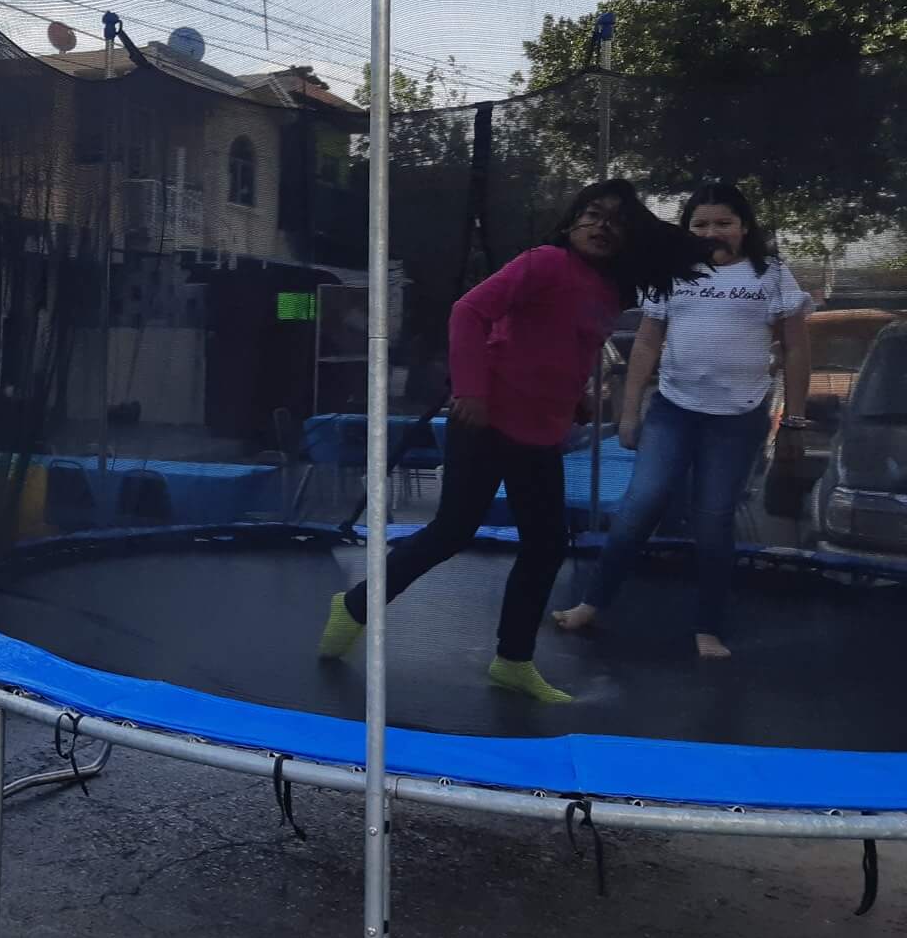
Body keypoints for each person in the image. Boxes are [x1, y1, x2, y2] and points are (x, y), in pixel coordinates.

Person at [318, 179, 705, 702]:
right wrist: (471, 391)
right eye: (591, 214)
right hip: (486, 420)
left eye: (615, 220)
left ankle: (513, 661)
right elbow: (468, 312)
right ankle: (354, 606)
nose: (600, 226)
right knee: (452, 530)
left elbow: (560, 346)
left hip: (538, 431)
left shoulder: (610, 291)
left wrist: (574, 399)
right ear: (570, 222)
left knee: (546, 546)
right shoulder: (545, 262)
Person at [553, 182, 811, 658]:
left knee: (713, 519)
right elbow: (647, 342)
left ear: (744, 227)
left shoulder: (770, 275)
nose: (712, 232)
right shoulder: (675, 273)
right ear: (687, 230)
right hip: (673, 410)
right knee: (639, 505)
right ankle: (592, 602)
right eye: (701, 224)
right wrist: (629, 412)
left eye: (723, 223)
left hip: (737, 419)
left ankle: (708, 627)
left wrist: (795, 420)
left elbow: (795, 349)